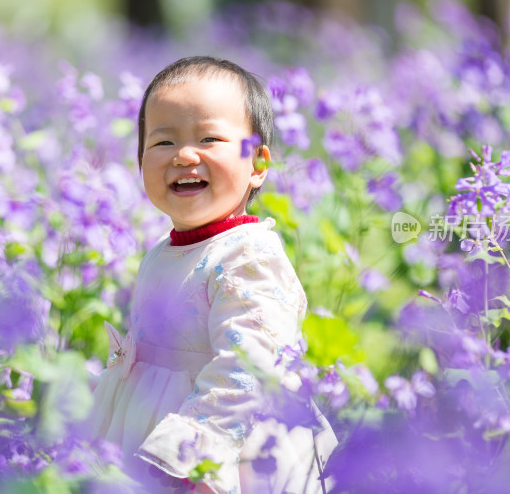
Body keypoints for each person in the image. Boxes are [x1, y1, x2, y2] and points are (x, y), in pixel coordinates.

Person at [86, 56, 336, 493]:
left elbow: (251, 370)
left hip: (221, 458)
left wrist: (195, 463)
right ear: (139, 160)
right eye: (163, 142)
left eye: (209, 138)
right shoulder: (163, 252)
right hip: (151, 440)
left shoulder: (248, 256)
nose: (185, 155)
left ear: (257, 164)